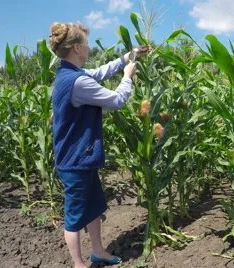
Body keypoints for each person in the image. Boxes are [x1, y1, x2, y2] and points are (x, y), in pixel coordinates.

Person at [48, 21, 151, 268]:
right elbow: (116, 100)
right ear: (76, 49)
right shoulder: (77, 82)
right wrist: (128, 77)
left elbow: (101, 72)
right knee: (73, 217)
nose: (88, 47)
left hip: (80, 157)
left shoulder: (69, 74)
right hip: (74, 161)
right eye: (85, 43)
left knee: (94, 207)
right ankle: (78, 264)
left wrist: (129, 56)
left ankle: (98, 251)